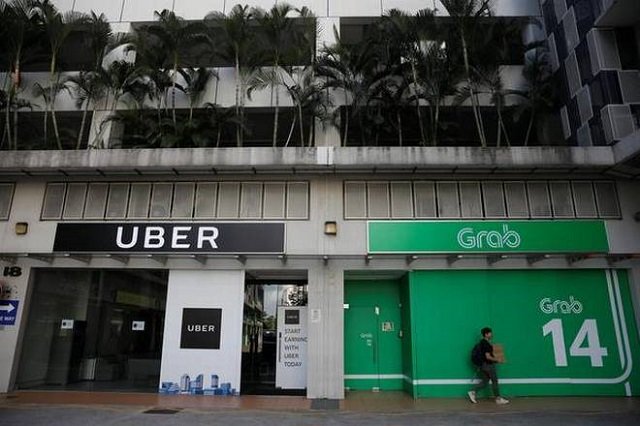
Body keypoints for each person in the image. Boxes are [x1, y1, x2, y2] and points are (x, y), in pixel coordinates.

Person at [468, 327, 509, 405]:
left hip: (483, 365)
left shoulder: (481, 343)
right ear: (486, 334)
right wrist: (497, 360)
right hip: (488, 365)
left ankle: (473, 391)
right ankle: (498, 399)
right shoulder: (486, 344)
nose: (492, 334)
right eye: (490, 333)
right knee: (495, 380)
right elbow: (488, 357)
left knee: (485, 381)